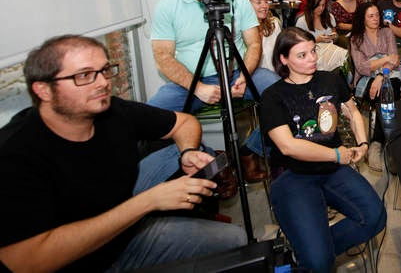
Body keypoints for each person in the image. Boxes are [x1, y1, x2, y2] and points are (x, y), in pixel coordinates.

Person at [0, 35, 246, 272]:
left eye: (105, 70)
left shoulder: (111, 110)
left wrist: (188, 152)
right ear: (43, 90)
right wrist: (147, 202)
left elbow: (183, 123)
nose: (102, 83)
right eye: (84, 75)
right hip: (77, 261)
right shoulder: (15, 153)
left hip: (124, 233)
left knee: (235, 239)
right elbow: (23, 263)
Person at [148, 0, 278, 182]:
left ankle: (251, 150)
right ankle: (209, 161)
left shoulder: (238, 0)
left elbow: (253, 44)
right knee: (151, 120)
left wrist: (244, 77)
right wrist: (198, 88)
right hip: (189, 81)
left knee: (285, 97)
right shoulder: (168, 6)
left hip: (237, 72)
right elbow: (163, 56)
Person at [261, 28, 386, 273]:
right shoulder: (272, 97)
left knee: (375, 217)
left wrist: (363, 143)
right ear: (284, 59)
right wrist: (337, 154)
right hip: (293, 176)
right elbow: (288, 146)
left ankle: (310, 253)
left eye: (313, 51)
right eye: (302, 55)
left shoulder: (330, 79)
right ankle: (313, 255)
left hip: (332, 169)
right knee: (318, 262)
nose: (312, 59)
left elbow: (352, 112)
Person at [349, 2, 400, 172]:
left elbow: (395, 59)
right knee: (387, 92)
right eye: (371, 16)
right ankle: (382, 144)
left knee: (390, 88)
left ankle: (382, 143)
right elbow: (362, 67)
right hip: (365, 79)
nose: (375, 18)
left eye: (377, 14)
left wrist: (380, 75)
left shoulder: (387, 32)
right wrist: (384, 59)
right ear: (362, 18)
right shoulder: (356, 38)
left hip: (388, 75)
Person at [294, 0, 348, 72]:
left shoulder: (329, 17)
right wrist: (317, 40)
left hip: (330, 51)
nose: (321, 8)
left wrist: (335, 36)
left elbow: (335, 34)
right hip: (314, 56)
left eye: (323, 5)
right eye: (318, 5)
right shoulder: (302, 21)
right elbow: (299, 46)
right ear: (312, 5)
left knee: (346, 57)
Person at [244, 0, 282, 72]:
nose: (265, 6)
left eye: (266, 2)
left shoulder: (274, 24)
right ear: (246, 5)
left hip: (275, 75)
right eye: (258, 2)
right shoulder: (239, 30)